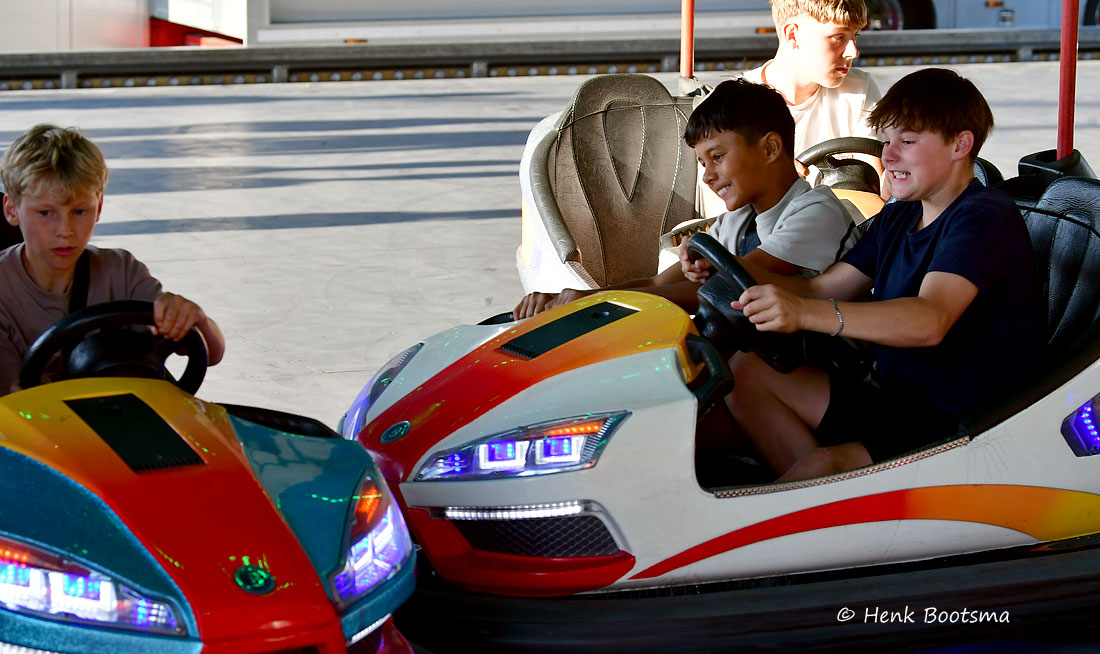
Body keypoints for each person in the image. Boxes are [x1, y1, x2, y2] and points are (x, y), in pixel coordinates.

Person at [721, 68, 1042, 482]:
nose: (888, 156)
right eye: (887, 141)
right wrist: (727, 267)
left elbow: (929, 319)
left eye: (907, 142)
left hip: (966, 421)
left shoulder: (983, 216)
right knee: (745, 372)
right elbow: (821, 288)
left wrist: (802, 313)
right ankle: (830, 491)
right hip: (900, 399)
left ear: (960, 144)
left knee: (822, 466)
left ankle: (827, 484)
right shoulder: (901, 214)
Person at [515, 79, 857, 319]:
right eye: (703, 164)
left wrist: (597, 303)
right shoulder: (735, 223)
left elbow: (729, 287)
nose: (707, 176)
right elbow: (657, 283)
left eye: (718, 157)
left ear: (770, 148)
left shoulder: (816, 212)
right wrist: (581, 297)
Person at [0, 123, 226, 394]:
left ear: (99, 208)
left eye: (79, 211)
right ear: (12, 210)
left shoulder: (122, 272)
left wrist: (194, 318)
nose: (65, 230)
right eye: (45, 213)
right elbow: (13, 396)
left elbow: (211, 353)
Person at [699, 0, 883, 217]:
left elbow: (874, 187)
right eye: (839, 36)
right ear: (792, 35)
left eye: (855, 36)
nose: (853, 51)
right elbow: (722, 213)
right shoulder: (728, 106)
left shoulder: (860, 90)